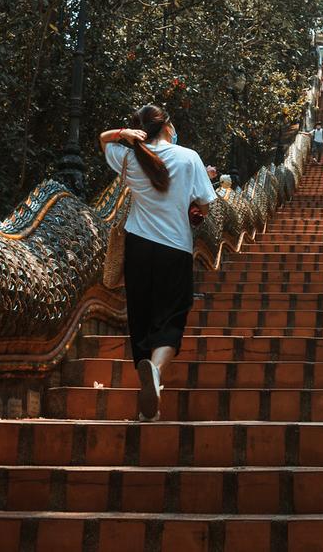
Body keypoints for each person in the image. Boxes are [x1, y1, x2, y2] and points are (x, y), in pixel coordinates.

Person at [100, 105, 219, 420]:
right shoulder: (189, 157)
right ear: (167, 126)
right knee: (170, 320)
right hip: (174, 249)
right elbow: (204, 208)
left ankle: (147, 402)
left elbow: (103, 141)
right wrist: (196, 194)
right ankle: (154, 371)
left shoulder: (129, 157)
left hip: (138, 248)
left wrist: (122, 135)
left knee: (141, 317)